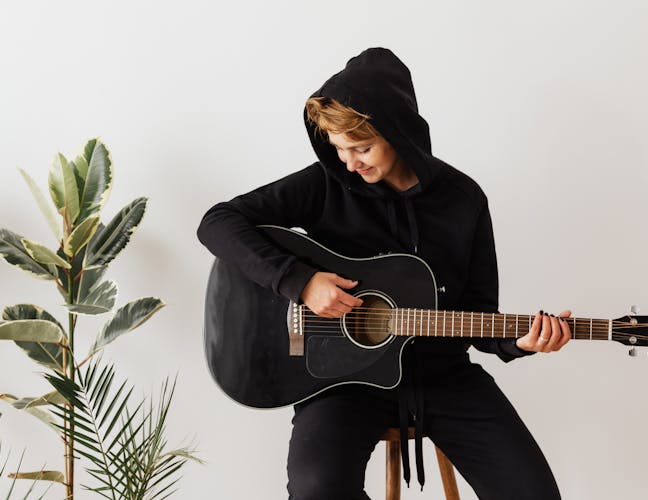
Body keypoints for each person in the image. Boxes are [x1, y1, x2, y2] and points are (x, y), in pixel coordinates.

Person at [197, 47, 571, 500]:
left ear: (399, 132)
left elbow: (478, 314)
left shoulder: (464, 199)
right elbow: (216, 222)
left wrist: (520, 341)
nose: (350, 162)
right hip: (341, 382)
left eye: (363, 147)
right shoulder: (324, 183)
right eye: (340, 149)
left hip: (444, 378)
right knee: (317, 490)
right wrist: (300, 281)